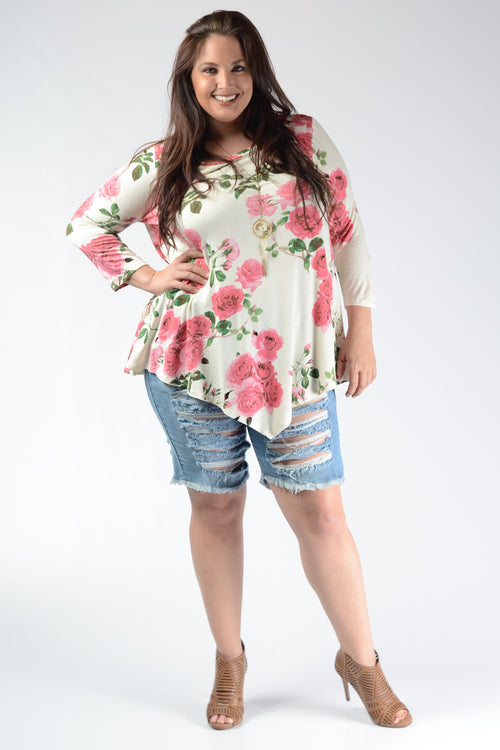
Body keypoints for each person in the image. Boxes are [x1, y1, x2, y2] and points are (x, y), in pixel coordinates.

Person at [67, 9, 412, 730]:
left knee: (321, 513)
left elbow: (348, 236)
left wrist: (362, 329)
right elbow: (86, 223)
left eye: (237, 67)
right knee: (216, 508)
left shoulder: (304, 140)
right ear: (188, 80)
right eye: (209, 70)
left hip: (295, 365)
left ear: (257, 72)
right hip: (192, 365)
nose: (224, 83)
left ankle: (363, 663)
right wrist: (149, 275)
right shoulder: (166, 160)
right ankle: (230, 661)